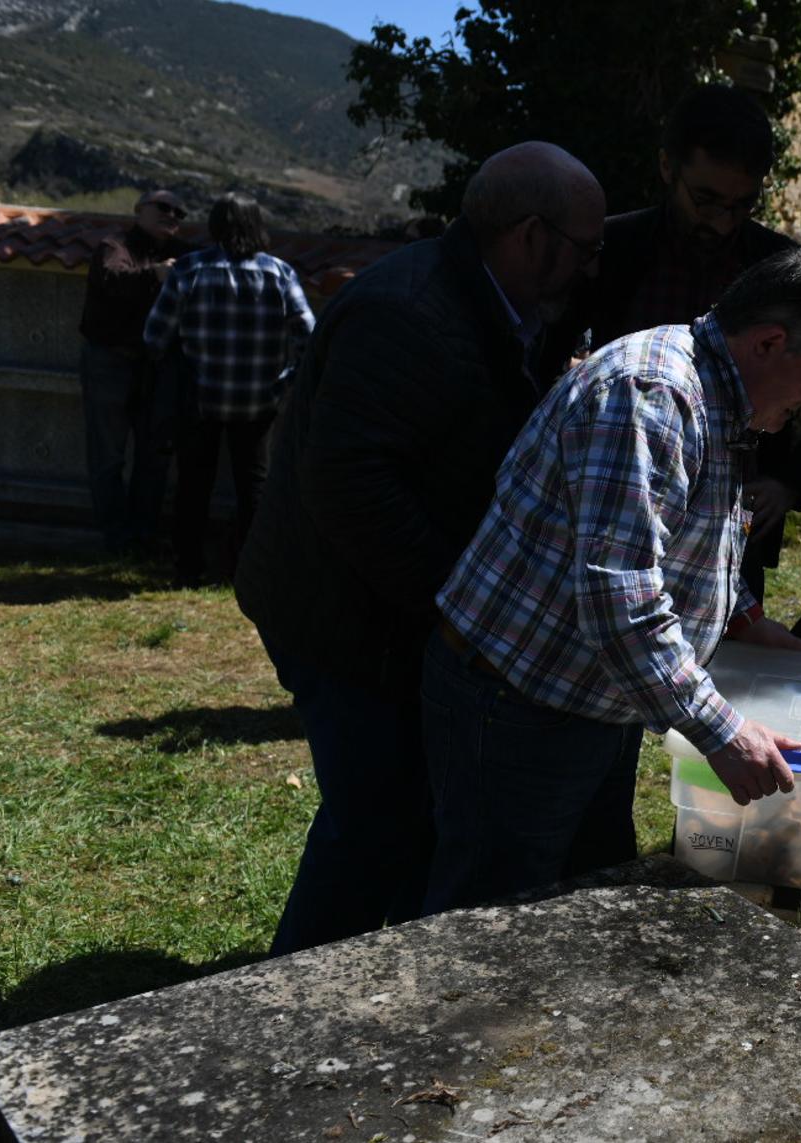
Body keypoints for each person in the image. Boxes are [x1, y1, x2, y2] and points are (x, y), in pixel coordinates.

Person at [421, 245, 801, 915]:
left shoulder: (715, 397)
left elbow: (684, 534)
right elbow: (619, 594)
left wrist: (743, 616)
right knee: (493, 913)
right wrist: (723, 731)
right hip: (517, 703)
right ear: (771, 342)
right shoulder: (651, 394)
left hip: (587, 699)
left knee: (582, 890)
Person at [234, 143, 606, 956]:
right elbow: (349, 487)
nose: (592, 267)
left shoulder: (509, 303)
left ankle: (379, 967)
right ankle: (291, 997)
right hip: (339, 613)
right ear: (532, 237)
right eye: (585, 246)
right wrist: (457, 609)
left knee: (410, 811)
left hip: (389, 608)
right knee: (375, 815)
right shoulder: (406, 311)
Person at [561, 83, 801, 604]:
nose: (722, 223)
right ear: (667, 167)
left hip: (735, 522)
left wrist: (790, 482)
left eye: (741, 206)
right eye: (705, 201)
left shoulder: (780, 269)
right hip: (611, 500)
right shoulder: (611, 252)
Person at [143, 192, 316, 586]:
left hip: (200, 399)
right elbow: (310, 337)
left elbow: (154, 338)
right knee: (253, 485)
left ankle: (188, 569)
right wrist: (285, 381)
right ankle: (250, 571)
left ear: (216, 226)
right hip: (259, 399)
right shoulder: (279, 274)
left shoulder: (188, 270)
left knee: (193, 485)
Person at [76, 188, 194, 555]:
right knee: (108, 453)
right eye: (163, 207)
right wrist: (155, 275)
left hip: (158, 365)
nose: (172, 215)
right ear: (139, 209)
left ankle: (142, 534)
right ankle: (117, 536)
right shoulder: (116, 246)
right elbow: (112, 278)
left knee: (155, 454)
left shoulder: (184, 256)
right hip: (110, 360)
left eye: (179, 212)